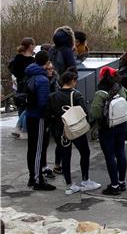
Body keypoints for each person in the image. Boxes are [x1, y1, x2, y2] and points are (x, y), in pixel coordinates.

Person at [49, 70, 102, 195]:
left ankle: (69, 185)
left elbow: (48, 114)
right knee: (85, 152)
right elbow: (84, 112)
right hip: (75, 129)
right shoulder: (76, 95)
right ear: (72, 81)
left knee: (65, 156)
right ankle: (85, 180)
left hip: (60, 130)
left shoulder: (53, 96)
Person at [90, 66, 127, 195]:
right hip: (122, 124)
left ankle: (114, 186)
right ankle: (121, 182)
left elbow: (95, 113)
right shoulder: (121, 89)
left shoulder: (100, 93)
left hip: (107, 127)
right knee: (120, 152)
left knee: (110, 156)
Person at [25, 50, 55, 190]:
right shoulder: (42, 80)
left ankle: (33, 176)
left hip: (30, 114)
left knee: (32, 148)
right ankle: (38, 180)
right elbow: (43, 102)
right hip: (39, 117)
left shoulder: (30, 74)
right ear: (46, 62)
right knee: (38, 149)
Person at [9, 37, 35, 139]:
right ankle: (24, 128)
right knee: (28, 106)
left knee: (21, 105)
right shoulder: (32, 60)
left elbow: (13, 70)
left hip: (20, 85)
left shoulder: (17, 58)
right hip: (28, 85)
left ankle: (19, 127)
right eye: (33, 45)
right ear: (30, 46)